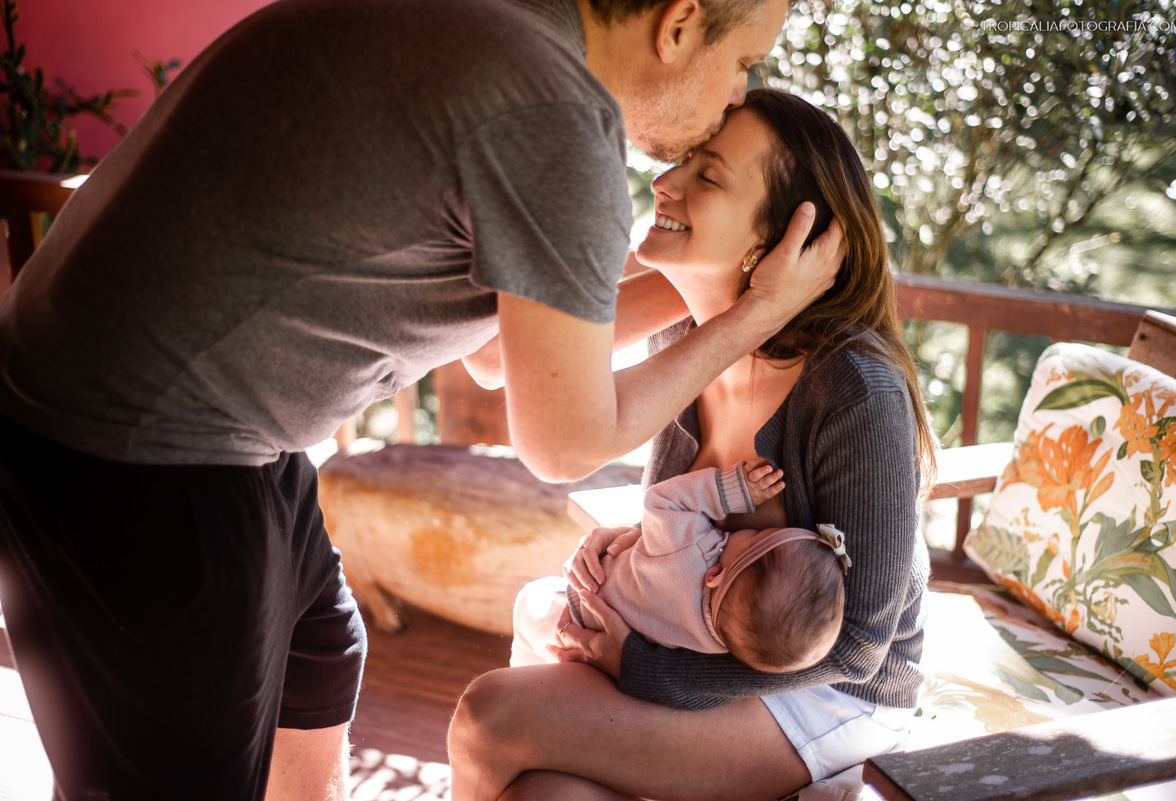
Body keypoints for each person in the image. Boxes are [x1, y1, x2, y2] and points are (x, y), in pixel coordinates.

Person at [0, 1, 846, 799]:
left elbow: (489, 355)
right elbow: (566, 442)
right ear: (680, 24)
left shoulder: (492, 33)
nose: (739, 88)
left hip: (196, 413)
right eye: (743, 60)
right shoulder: (554, 110)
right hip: (140, 445)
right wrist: (762, 313)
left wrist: (734, 294)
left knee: (319, 654)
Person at [447, 87, 939, 801]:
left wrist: (648, 669)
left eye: (707, 176)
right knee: (547, 793)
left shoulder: (855, 389)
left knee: (490, 717)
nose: (662, 181)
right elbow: (494, 357)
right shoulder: (691, 338)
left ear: (777, 243)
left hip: (827, 697)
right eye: (684, 161)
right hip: (692, 640)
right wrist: (632, 548)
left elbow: (861, 645)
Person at [510, 460, 851, 673]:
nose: (738, 528)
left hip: (572, 612)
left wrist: (736, 489)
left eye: (751, 537)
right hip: (606, 666)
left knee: (530, 599)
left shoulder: (692, 552)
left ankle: (520, 670)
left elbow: (661, 500)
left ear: (716, 575)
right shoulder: (720, 642)